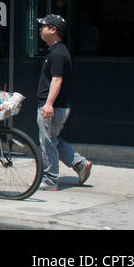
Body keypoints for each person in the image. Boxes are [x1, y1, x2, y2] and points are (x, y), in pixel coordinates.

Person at [36, 14, 92, 190]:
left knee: (48, 143)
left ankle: (50, 179)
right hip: (57, 106)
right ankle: (80, 164)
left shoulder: (58, 54)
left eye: (44, 26)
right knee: (52, 140)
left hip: (54, 106)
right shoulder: (55, 51)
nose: (40, 29)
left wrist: (48, 103)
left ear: (53, 30)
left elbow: (57, 80)